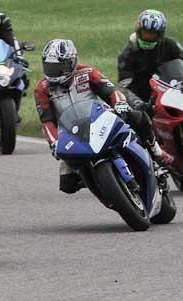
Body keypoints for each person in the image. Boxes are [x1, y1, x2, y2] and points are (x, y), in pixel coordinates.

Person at [35, 39, 174, 195]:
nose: (54, 72)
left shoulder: (87, 73)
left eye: (59, 67)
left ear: (72, 62)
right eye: (50, 67)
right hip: (73, 134)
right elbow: (46, 121)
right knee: (68, 184)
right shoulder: (42, 89)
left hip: (99, 119)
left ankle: (156, 151)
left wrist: (120, 104)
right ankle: (101, 183)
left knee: (138, 117)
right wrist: (55, 142)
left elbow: (111, 91)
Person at [117, 9, 183, 113]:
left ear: (160, 34)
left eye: (152, 34)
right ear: (139, 31)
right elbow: (124, 88)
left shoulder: (170, 44)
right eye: (145, 33)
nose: (148, 37)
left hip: (173, 92)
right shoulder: (126, 55)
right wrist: (139, 104)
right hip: (146, 101)